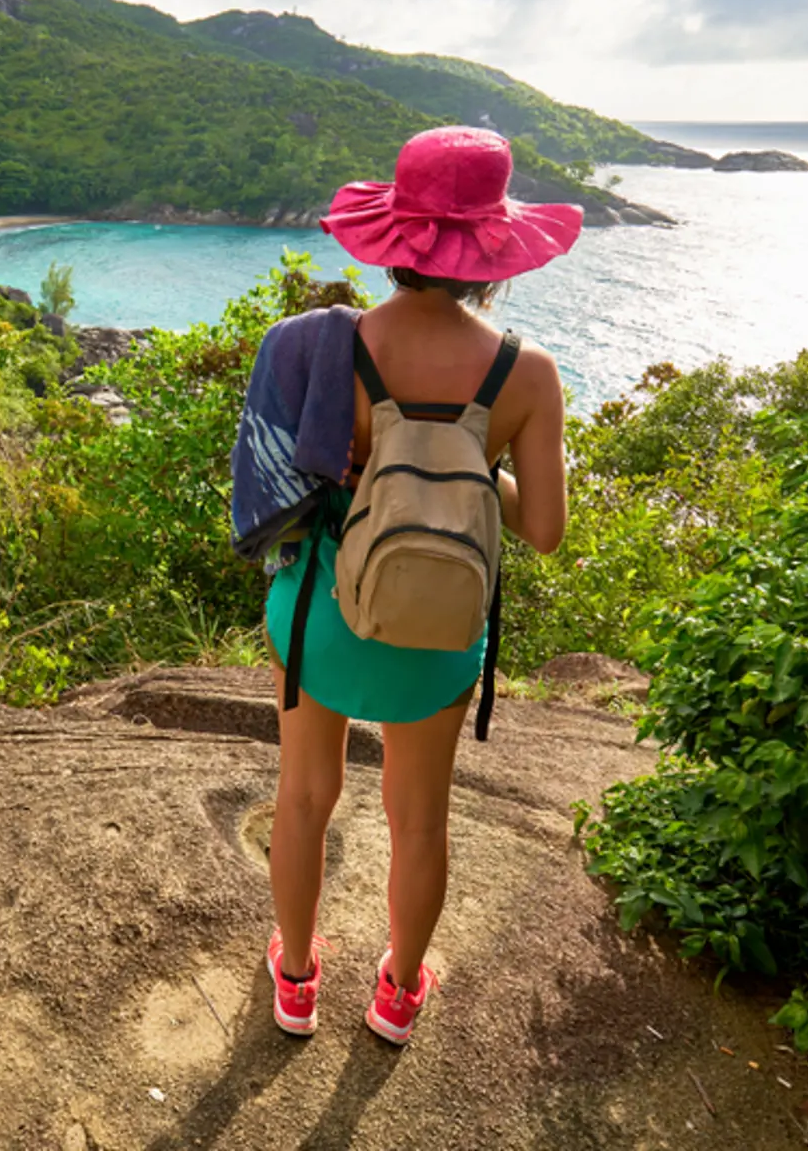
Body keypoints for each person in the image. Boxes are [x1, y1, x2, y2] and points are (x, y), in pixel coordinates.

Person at [247, 126, 578, 1044]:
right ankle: (396, 991)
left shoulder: (327, 349)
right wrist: (468, 453)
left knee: (306, 796)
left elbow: (290, 479)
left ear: (395, 237)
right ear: (493, 252)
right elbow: (543, 531)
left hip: (321, 616)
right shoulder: (529, 374)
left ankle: (299, 978)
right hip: (437, 633)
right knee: (419, 820)